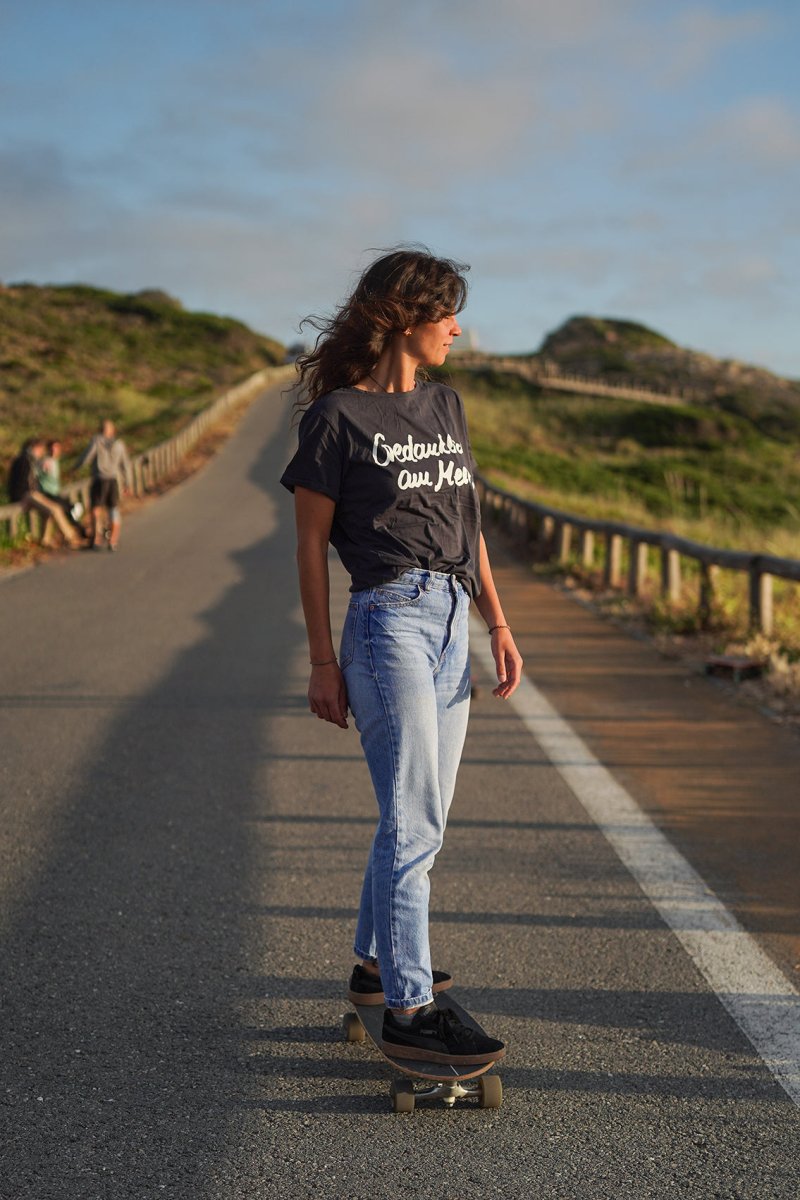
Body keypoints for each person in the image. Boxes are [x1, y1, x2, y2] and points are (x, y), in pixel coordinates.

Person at [280, 247, 523, 1067]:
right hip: (388, 622)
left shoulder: (447, 405)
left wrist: (499, 621)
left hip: (454, 617)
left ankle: (375, 964)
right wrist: (322, 661)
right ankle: (411, 1008)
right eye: (446, 311)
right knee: (415, 821)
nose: (459, 326)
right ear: (404, 318)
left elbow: (471, 520)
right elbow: (310, 547)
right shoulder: (338, 419)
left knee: (418, 817)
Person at [7, 437, 84, 548]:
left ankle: (46, 539)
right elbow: (20, 483)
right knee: (55, 509)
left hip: (29, 494)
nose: (42, 453)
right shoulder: (25, 460)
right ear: (35, 448)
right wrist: (21, 497)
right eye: (41, 450)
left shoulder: (27, 459)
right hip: (25, 495)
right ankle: (71, 537)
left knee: (51, 510)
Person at [77, 420, 133, 551]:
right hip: (113, 480)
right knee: (113, 509)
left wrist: (76, 467)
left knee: (96, 509)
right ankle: (113, 540)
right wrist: (127, 483)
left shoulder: (96, 441)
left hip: (99, 479)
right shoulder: (119, 444)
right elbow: (125, 464)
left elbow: (86, 457)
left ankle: (96, 539)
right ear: (113, 430)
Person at [38, 439, 87, 538]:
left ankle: (79, 530)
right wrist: (43, 468)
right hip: (47, 493)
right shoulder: (47, 461)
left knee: (69, 508)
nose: (54, 451)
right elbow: (40, 470)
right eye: (52, 449)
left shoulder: (55, 461)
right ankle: (75, 533)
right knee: (68, 508)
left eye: (56, 448)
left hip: (55, 493)